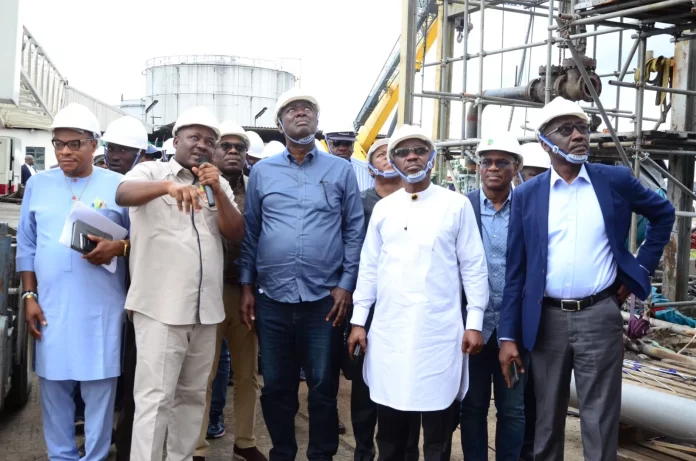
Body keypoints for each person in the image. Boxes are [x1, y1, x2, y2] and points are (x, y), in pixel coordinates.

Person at [498, 97, 675, 461]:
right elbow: (516, 271)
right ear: (546, 143)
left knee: (599, 419)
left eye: (583, 128)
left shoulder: (614, 181)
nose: (579, 135)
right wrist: (508, 335)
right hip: (546, 320)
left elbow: (663, 215)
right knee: (546, 419)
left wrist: (639, 269)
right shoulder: (528, 195)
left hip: (599, 314)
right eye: (567, 130)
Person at [348, 124, 489, 461]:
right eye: (401, 151)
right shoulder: (384, 208)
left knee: (438, 435)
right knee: (393, 435)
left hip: (438, 334)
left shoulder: (455, 205)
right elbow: (368, 268)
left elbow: (473, 266)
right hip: (389, 332)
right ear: (392, 160)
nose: (411, 157)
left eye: (419, 150)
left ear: (432, 156)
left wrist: (474, 322)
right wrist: (357, 321)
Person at [240, 88, 364, 461]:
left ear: (317, 120)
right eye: (292, 110)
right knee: (277, 386)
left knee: (324, 386)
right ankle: (283, 452)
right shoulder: (262, 172)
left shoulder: (340, 170)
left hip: (324, 300)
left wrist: (346, 284)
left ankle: (322, 454)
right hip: (273, 299)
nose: (301, 114)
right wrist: (246, 284)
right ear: (280, 124)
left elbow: (354, 231)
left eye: (307, 109)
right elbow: (251, 231)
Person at [116, 106, 244, 461]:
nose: (202, 145)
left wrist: (217, 190)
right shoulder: (150, 170)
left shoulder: (215, 184)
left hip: (206, 311)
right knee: (154, 400)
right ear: (176, 141)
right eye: (194, 137)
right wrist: (167, 186)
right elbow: (122, 194)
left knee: (191, 398)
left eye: (209, 140)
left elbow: (235, 233)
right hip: (160, 309)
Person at [17, 103, 130, 461]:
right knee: (53, 386)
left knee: (99, 389)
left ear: (94, 145)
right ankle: (61, 456)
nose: (64, 151)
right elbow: (28, 244)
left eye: (74, 143)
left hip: (101, 305)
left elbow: (142, 241)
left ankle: (95, 456)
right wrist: (29, 295)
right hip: (50, 304)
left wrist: (121, 247)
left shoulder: (119, 186)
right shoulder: (38, 184)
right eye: (58, 143)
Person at [193, 121, 266, 461]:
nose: (233, 151)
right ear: (214, 151)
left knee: (247, 373)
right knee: (202, 374)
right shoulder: (196, 185)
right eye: (227, 146)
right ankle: (196, 447)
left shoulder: (258, 188)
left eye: (240, 146)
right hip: (206, 290)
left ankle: (246, 441)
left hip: (245, 292)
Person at [349, 137, 420, 461]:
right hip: (368, 307)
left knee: (407, 382)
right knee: (365, 386)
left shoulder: (418, 202)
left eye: (395, 153)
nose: (390, 159)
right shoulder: (359, 203)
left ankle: (406, 451)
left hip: (408, 307)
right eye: (381, 154)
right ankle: (364, 451)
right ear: (370, 164)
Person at [459, 132, 527, 461]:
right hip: (474, 329)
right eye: (486, 161)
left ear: (516, 168)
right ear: (478, 167)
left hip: (513, 331)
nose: (493, 168)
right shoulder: (462, 207)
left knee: (512, 408)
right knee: (472, 406)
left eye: (502, 162)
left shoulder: (528, 208)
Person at [511, 141, 550, 461]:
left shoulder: (551, 213)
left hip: (542, 318)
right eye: (526, 174)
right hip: (511, 318)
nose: (529, 181)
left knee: (538, 395)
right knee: (516, 399)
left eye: (537, 175)